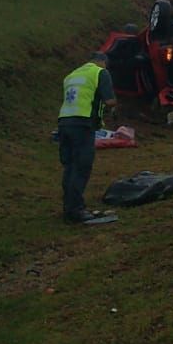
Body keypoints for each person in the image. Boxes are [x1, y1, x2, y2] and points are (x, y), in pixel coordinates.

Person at [57, 51, 116, 224]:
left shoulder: (72, 75)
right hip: (83, 124)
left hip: (64, 123)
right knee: (81, 167)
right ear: (103, 62)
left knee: (69, 166)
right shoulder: (100, 72)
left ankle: (68, 207)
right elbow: (110, 101)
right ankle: (76, 210)